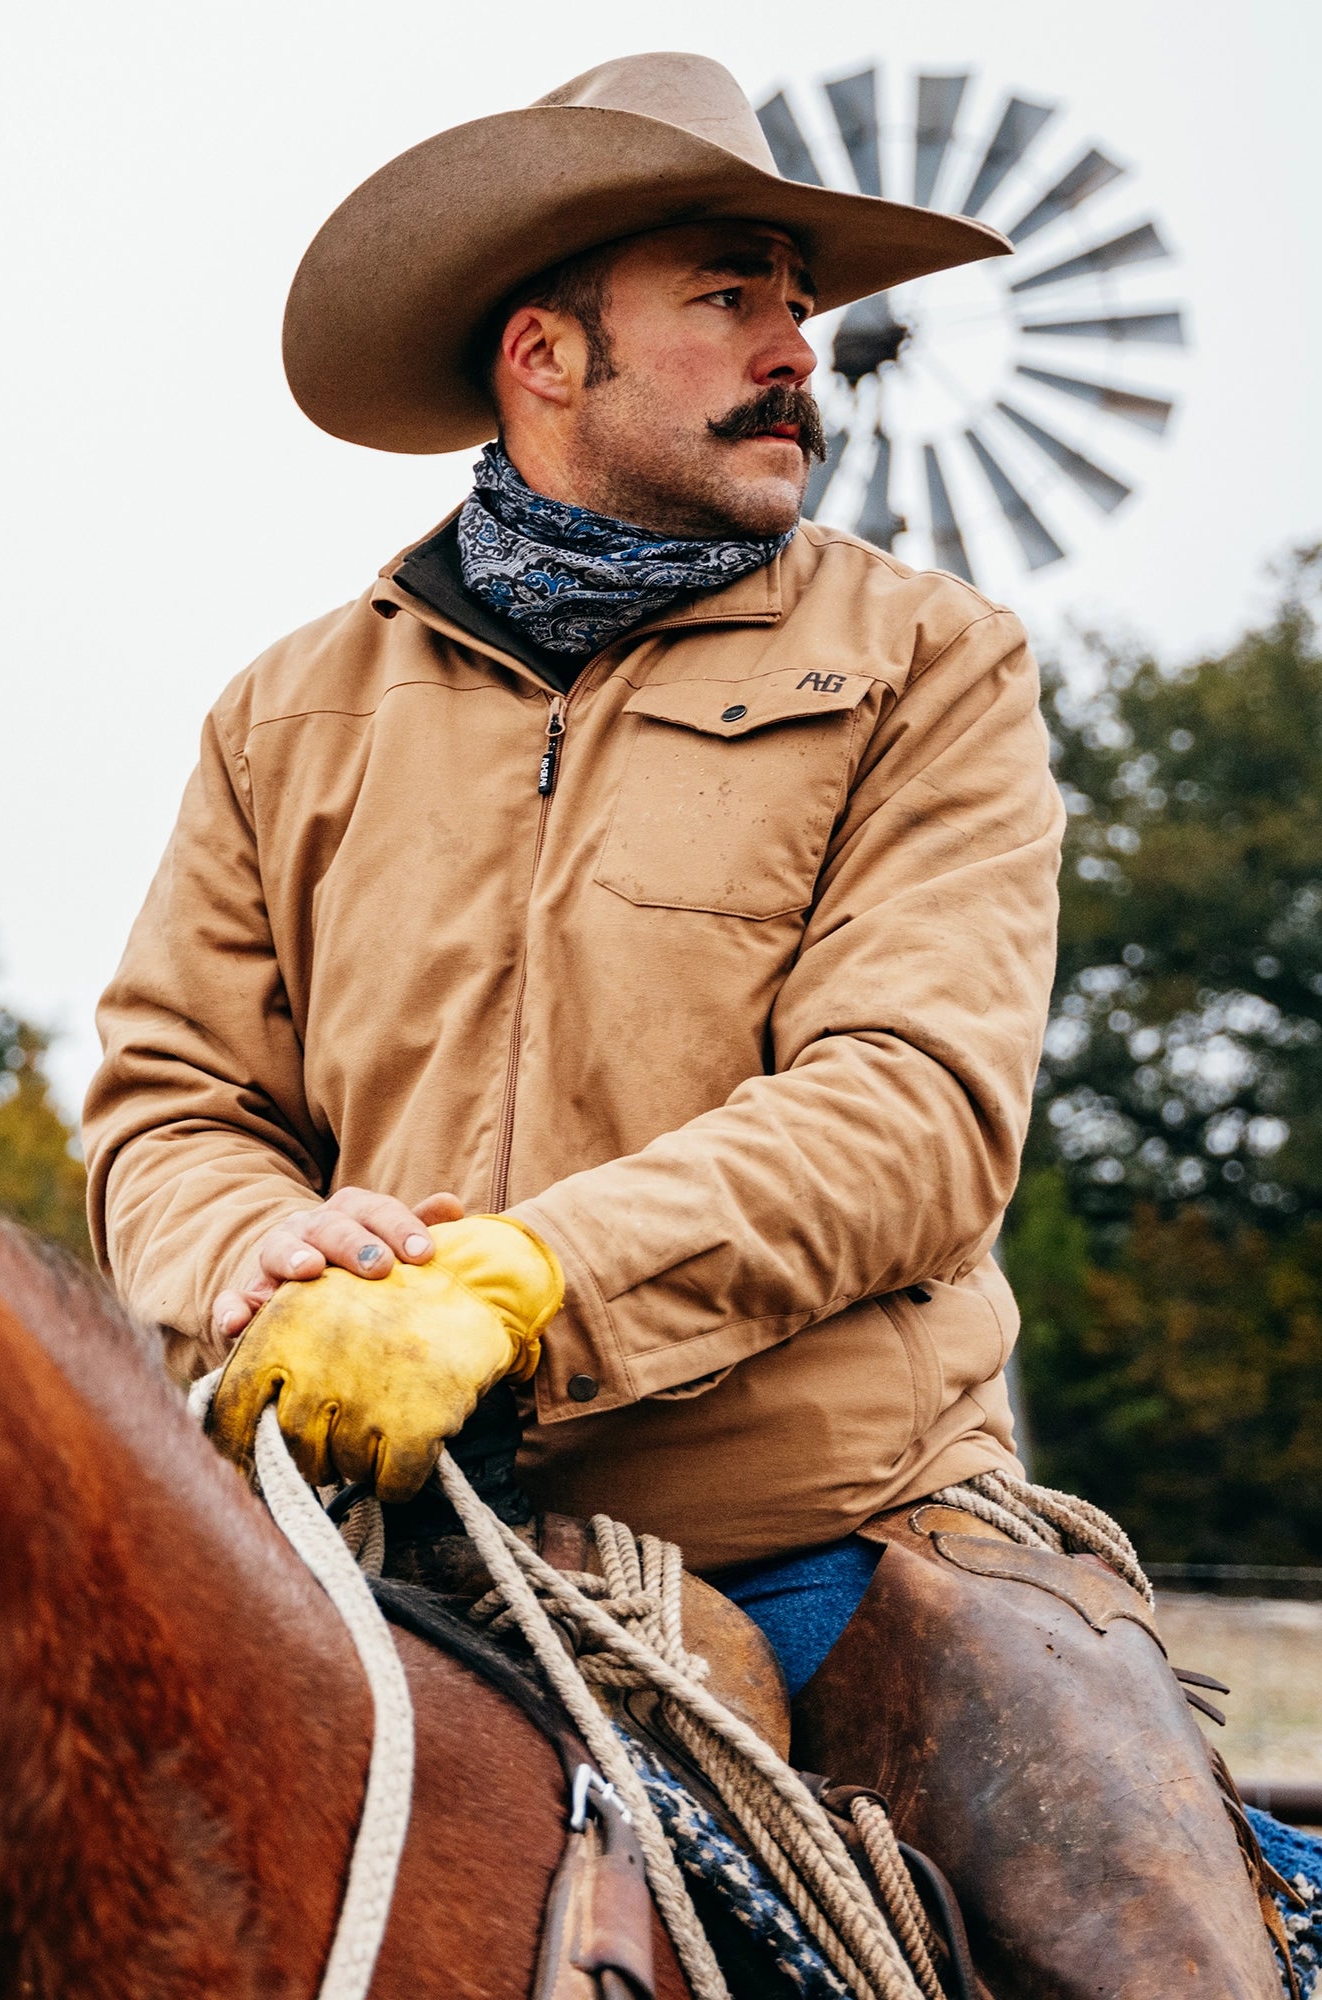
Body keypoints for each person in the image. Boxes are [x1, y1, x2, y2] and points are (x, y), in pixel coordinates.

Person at [83, 54, 1283, 1994]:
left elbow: (909, 1109)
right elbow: (172, 1099)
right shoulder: (283, 713)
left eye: (798, 303)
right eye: (732, 295)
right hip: (371, 1552)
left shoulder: (931, 665)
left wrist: (519, 1280)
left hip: (831, 1555)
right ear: (544, 353)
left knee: (1155, 1960)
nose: (797, 348)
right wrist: (254, 1252)